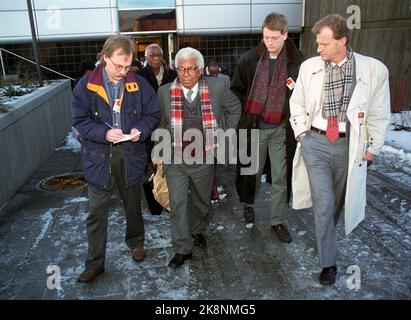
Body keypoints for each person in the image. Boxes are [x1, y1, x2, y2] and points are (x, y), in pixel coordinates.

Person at [289, 14, 391, 285]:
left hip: (350, 145)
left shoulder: (373, 70)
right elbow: (296, 101)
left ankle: (326, 236)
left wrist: (374, 147)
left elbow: (379, 113)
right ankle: (328, 263)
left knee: (336, 203)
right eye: (317, 43)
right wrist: (301, 133)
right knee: (323, 204)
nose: (318, 49)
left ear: (342, 41)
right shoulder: (309, 67)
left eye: (324, 44)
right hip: (316, 143)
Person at [72, 35, 160, 283]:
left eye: (127, 65)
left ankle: (136, 243)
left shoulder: (139, 84)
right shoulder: (85, 86)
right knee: (96, 211)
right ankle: (94, 262)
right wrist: (103, 133)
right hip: (98, 156)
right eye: (117, 66)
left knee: (132, 203)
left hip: (130, 154)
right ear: (104, 59)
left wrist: (140, 129)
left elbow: (153, 113)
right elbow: (79, 121)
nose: (123, 71)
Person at [155, 47, 241, 268]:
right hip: (175, 159)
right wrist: (158, 150)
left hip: (204, 157)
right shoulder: (164, 92)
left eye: (190, 69)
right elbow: (162, 123)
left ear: (200, 70)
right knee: (178, 203)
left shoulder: (217, 86)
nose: (185, 74)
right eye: (181, 69)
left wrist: (224, 133)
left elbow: (235, 108)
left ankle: (198, 229)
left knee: (202, 202)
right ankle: (182, 248)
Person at [231, 12, 303, 243]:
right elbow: (236, 91)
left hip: (283, 130)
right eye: (265, 37)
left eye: (274, 38)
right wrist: (248, 114)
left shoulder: (298, 62)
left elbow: (303, 95)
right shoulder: (249, 60)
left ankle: (277, 221)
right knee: (251, 171)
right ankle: (249, 205)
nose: (269, 43)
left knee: (281, 177)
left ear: (285, 35)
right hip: (254, 128)